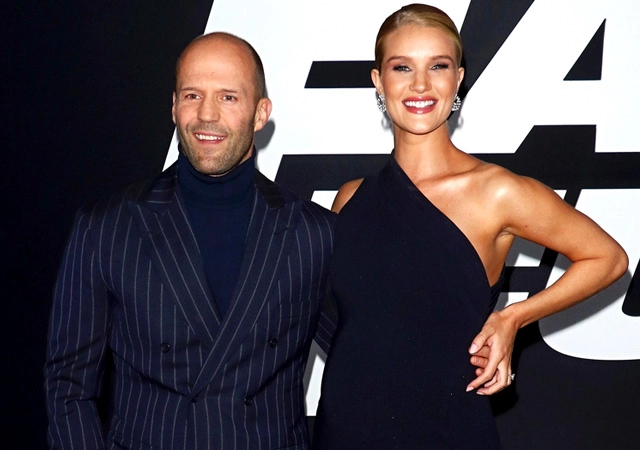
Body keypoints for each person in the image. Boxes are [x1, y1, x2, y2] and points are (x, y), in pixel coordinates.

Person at [311, 4, 628, 449]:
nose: (420, 85)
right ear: (378, 81)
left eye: (438, 66)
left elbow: (608, 258)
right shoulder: (349, 198)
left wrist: (512, 319)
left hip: (448, 428)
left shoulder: (496, 191)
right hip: (345, 428)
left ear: (458, 79)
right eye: (402, 67)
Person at [45, 32, 335, 450]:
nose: (206, 114)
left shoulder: (314, 233)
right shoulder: (107, 226)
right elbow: (68, 387)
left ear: (260, 113)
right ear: (174, 106)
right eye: (192, 95)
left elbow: (369, 362)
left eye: (228, 97)